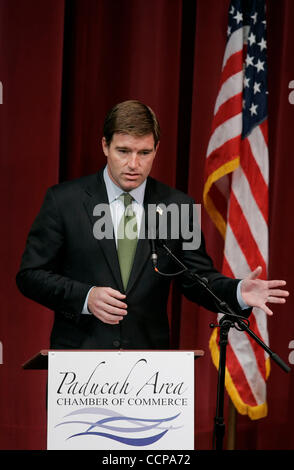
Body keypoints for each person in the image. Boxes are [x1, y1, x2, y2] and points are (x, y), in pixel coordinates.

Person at [16, 100, 289, 350]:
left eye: (144, 152)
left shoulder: (177, 206)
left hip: (150, 370)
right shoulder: (64, 201)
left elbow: (197, 278)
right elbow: (31, 275)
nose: (133, 164)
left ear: (156, 149)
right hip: (80, 362)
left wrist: (238, 291)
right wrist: (85, 297)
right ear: (105, 146)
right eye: (123, 151)